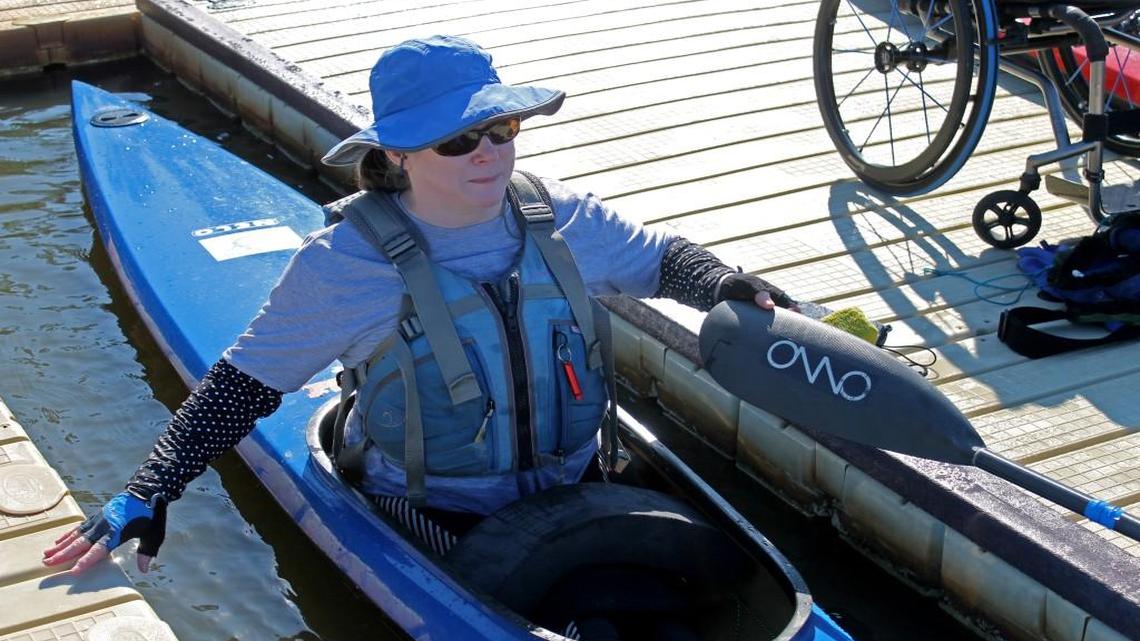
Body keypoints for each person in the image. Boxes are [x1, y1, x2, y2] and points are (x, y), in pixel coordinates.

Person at [43, 35, 797, 573]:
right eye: (459, 141)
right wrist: (150, 488)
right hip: (434, 514)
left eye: (501, 130)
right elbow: (243, 386)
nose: (491, 155)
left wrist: (725, 285)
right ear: (395, 154)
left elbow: (664, 260)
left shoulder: (561, 218)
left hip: (578, 483)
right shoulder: (347, 266)